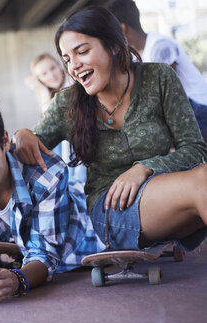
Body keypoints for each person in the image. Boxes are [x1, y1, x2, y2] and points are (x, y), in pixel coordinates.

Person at [12, 7, 207, 257]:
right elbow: (28, 145)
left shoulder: (159, 78)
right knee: (203, 181)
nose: (74, 67)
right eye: (67, 59)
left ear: (114, 45)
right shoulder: (67, 103)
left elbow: (195, 148)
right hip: (111, 208)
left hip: (170, 193)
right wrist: (22, 135)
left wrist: (145, 168)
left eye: (82, 51)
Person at [0, 90, 104, 302]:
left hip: (87, 232)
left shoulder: (47, 173)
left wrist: (18, 279)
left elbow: (46, 255)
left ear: (5, 141)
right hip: (24, 246)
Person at [108, 0, 207, 131]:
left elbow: (169, 93)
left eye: (110, 33)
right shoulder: (135, 56)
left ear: (122, 28)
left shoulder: (159, 46)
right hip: (185, 109)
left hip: (198, 108)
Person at [26, 53, 87, 192]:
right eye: (44, 74)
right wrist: (43, 92)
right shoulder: (47, 95)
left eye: (53, 68)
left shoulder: (74, 83)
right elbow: (48, 124)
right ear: (39, 80)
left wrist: (42, 90)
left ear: (60, 66)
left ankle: (75, 184)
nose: (51, 75)